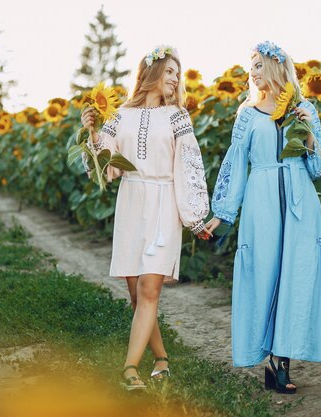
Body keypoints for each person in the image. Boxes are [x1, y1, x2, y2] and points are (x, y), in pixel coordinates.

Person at [204, 41, 321, 394]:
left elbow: (320, 166)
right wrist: (222, 215)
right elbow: (236, 165)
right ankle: (267, 356)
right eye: (252, 66)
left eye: (259, 65)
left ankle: (282, 362)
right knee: (264, 274)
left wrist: (309, 129)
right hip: (261, 201)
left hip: (299, 201)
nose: (253, 72)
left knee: (296, 276)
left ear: (278, 68)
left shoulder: (304, 107)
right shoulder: (247, 114)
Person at [80, 45, 211, 390]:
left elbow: (189, 165)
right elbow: (104, 163)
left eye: (177, 74)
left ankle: (129, 370)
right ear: (151, 74)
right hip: (131, 202)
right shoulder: (121, 115)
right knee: (138, 296)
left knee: (150, 289)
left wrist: (195, 216)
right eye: (169, 71)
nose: (175, 79)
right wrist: (91, 135)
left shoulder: (178, 116)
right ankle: (162, 359)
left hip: (164, 203)